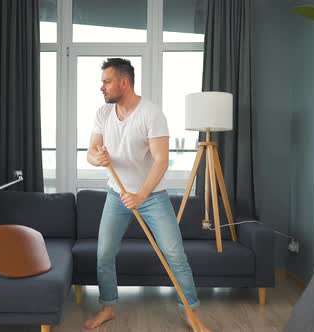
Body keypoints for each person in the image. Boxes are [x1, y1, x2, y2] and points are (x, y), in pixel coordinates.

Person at [83, 58, 211, 332]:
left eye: (106, 81)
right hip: (116, 195)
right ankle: (108, 307)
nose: (101, 87)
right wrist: (98, 157)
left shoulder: (151, 114)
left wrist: (141, 195)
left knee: (174, 254)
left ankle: (191, 311)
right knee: (104, 253)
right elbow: (90, 152)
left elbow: (161, 161)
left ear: (123, 82)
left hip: (152, 196)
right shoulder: (103, 114)